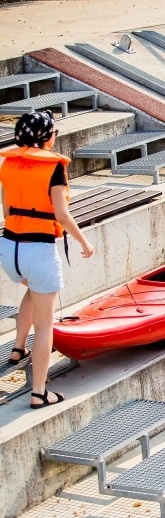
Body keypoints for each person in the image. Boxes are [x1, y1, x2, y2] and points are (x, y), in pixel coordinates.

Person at [0, 110, 94, 408]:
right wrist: (84, 242)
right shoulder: (54, 167)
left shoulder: (8, 162)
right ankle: (39, 393)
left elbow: (6, 208)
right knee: (45, 326)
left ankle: (18, 348)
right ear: (46, 137)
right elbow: (61, 215)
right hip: (38, 250)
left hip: (9, 248)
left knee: (34, 289)